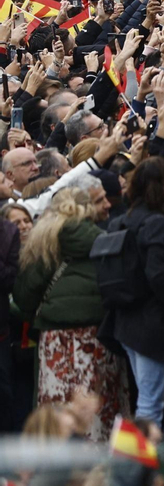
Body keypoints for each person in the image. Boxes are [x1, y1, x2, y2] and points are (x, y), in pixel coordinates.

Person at [13, 187, 126, 439]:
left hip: (55, 338)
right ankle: (100, 457)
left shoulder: (45, 238)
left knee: (58, 403)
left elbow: (24, 295)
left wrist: (43, 312)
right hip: (98, 336)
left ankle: (58, 455)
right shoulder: (106, 240)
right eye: (99, 201)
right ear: (87, 208)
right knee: (99, 404)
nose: (107, 205)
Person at [101, 157, 164, 425]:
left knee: (144, 396)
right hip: (151, 321)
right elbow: (157, 273)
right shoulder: (159, 222)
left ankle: (138, 449)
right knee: (150, 403)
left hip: (124, 318)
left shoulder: (122, 220)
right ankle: (143, 453)